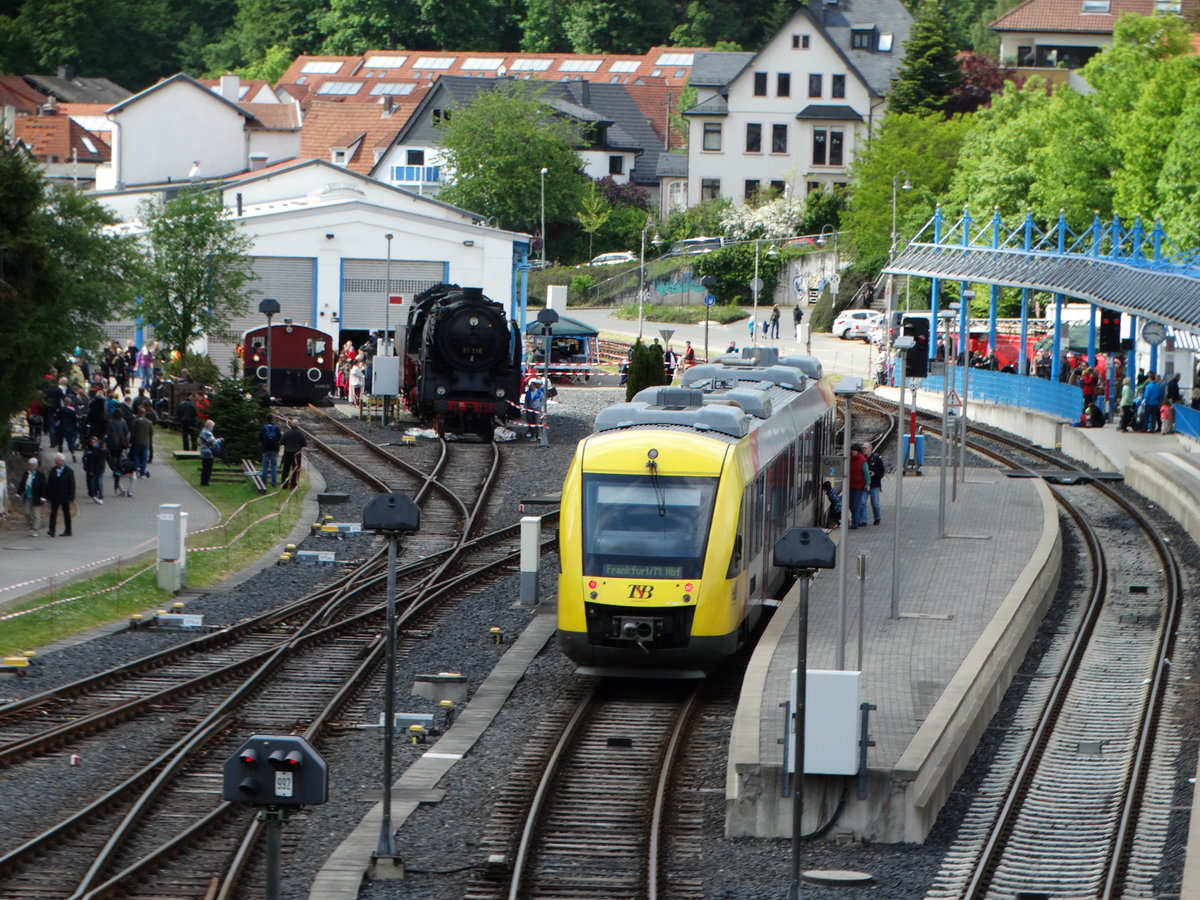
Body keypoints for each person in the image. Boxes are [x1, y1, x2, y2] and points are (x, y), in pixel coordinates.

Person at [45, 452, 75, 537]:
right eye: (55, 461)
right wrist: (47, 495)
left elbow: (72, 484)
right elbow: (49, 483)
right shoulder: (53, 470)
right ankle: (52, 530)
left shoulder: (69, 471)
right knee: (53, 513)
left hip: (65, 496)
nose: (56, 462)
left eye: (58, 461)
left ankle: (68, 530)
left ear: (62, 461)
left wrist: (71, 497)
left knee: (66, 514)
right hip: (54, 496)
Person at [16, 457, 46, 536]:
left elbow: (43, 486)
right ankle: (32, 524)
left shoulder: (40, 475)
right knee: (26, 512)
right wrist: (19, 492)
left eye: (32, 465)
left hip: (36, 497)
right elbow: (22, 483)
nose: (30, 467)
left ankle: (35, 529)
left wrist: (43, 497)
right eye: (29, 465)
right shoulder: (26, 473)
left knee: (36, 515)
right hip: (27, 496)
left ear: (36, 466)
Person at [105, 406, 131, 497]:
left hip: (112, 443)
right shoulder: (123, 422)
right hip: (120, 443)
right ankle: (117, 470)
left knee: (113, 457)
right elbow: (126, 431)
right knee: (119, 458)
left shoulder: (110, 421)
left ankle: (115, 469)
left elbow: (107, 433)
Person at [280, 419, 307, 489]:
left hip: (287, 453)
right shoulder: (300, 434)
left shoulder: (287, 433)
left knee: (286, 469)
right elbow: (304, 444)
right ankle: (293, 485)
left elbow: (282, 441)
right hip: (296, 454)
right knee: (295, 469)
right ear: (298, 425)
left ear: (291, 425)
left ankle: (284, 485)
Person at [848, 443, 869, 529]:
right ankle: (857, 519)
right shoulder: (849, 459)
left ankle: (855, 523)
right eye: (852, 450)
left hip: (859, 486)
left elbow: (866, 473)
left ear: (858, 451)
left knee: (856, 504)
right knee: (850, 504)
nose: (853, 452)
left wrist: (868, 483)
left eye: (855, 451)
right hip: (850, 485)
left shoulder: (862, 460)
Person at [864, 441, 886, 526]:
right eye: (863, 448)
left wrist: (874, 473)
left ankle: (877, 517)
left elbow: (881, 472)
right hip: (864, 485)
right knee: (862, 503)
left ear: (870, 449)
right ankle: (863, 520)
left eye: (865, 448)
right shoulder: (862, 459)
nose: (864, 450)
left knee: (875, 503)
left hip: (874, 485)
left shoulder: (876, 459)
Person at [130, 406, 154, 478]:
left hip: (137, 442)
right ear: (145, 414)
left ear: (138, 414)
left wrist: (131, 440)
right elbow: (151, 433)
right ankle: (142, 473)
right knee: (144, 458)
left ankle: (137, 467)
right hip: (146, 442)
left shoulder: (135, 422)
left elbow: (132, 432)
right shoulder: (149, 422)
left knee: (136, 455)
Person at [82, 434, 106, 504]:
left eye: (94, 442)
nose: (93, 444)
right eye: (92, 442)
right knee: (90, 482)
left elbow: (105, 459)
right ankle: (93, 494)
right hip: (89, 469)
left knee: (98, 482)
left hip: (98, 469)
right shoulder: (88, 450)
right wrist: (85, 466)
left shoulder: (99, 450)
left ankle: (99, 495)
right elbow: (84, 458)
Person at [259, 416, 282, 487]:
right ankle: (274, 483)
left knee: (265, 467)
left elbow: (260, 439)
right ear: (273, 419)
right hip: (274, 449)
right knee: (273, 467)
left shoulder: (263, 428)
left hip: (265, 449)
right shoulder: (277, 428)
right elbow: (279, 439)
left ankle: (263, 483)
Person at [198, 419, 219, 486]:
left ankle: (203, 481)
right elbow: (212, 442)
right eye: (212, 426)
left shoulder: (203, 432)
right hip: (208, 452)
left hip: (203, 451)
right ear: (209, 426)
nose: (212, 428)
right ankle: (205, 482)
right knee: (208, 468)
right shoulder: (207, 433)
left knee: (205, 467)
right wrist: (219, 440)